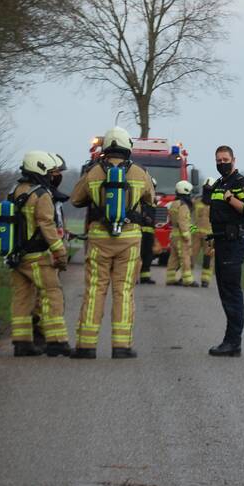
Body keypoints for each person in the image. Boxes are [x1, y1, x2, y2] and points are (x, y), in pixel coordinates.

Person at [70, 127, 155, 359]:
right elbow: (151, 199)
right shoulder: (140, 172)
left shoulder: (94, 172)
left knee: (95, 290)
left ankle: (86, 346)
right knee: (123, 291)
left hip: (99, 238)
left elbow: (76, 199)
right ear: (128, 147)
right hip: (129, 239)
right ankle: (121, 346)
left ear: (105, 147)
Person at [8, 151, 70, 358]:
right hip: (37, 257)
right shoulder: (41, 194)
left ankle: (22, 343)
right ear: (40, 169)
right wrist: (60, 251)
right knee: (52, 294)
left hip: (16, 256)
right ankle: (56, 341)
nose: (52, 175)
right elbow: (46, 225)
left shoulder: (15, 190)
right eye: (50, 171)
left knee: (22, 297)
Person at [208, 146, 244, 357]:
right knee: (225, 292)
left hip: (233, 244)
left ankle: (233, 342)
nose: (222, 163)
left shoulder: (240, 183)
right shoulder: (220, 184)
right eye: (218, 160)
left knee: (232, 294)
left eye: (225, 159)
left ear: (233, 160)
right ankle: (230, 340)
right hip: (221, 242)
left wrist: (231, 199)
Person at [165, 180, 198, 287]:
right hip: (181, 236)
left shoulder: (174, 203)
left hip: (174, 235)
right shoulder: (183, 205)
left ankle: (170, 279)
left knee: (173, 258)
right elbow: (183, 222)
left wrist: (193, 229)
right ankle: (188, 280)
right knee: (185, 258)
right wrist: (186, 236)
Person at [192, 177, 216, 287]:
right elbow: (189, 217)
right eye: (206, 189)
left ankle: (205, 280)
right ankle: (187, 277)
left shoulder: (217, 204)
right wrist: (193, 230)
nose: (207, 191)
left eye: (209, 189)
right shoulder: (196, 201)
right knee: (191, 256)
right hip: (196, 235)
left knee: (208, 258)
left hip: (210, 236)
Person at [138, 177, 158, 284]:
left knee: (148, 255)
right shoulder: (139, 200)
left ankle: (145, 276)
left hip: (149, 233)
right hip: (140, 232)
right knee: (138, 255)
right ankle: (134, 277)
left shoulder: (153, 201)